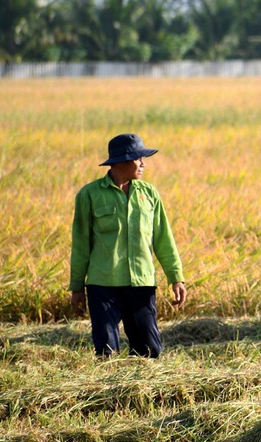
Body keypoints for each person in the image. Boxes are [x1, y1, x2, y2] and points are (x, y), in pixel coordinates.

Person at [70, 133, 186, 358]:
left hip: (141, 283)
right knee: (106, 352)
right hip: (103, 284)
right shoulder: (89, 195)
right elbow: (81, 244)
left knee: (150, 351)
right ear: (121, 161)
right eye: (138, 159)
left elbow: (163, 238)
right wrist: (77, 287)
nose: (143, 164)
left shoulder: (149, 193)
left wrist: (176, 278)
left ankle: (142, 391)